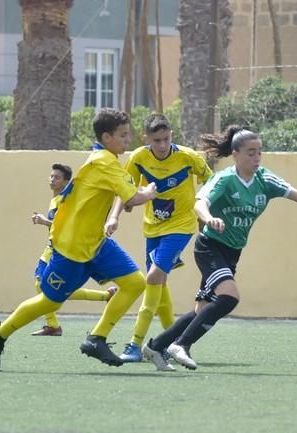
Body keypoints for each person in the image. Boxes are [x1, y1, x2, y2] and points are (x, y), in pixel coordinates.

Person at [141, 126, 297, 371]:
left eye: (259, 152)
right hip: (210, 247)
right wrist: (209, 219)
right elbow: (200, 203)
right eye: (251, 153)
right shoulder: (226, 179)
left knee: (203, 309)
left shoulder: (265, 180)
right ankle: (181, 345)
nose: (257, 158)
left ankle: (156, 346)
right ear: (235, 154)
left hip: (232, 252)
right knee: (229, 297)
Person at [0, 108, 157, 371]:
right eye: (123, 135)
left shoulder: (106, 160)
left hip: (96, 242)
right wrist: (149, 193)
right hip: (73, 247)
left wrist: (126, 203)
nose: (127, 139)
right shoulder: (104, 161)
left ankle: (96, 338)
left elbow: (120, 195)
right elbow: (132, 198)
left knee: (135, 283)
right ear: (106, 136)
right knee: (50, 302)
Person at [105, 113, 213, 363]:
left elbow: (211, 183)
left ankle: (136, 345)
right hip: (152, 228)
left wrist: (204, 216)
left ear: (171, 136)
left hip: (181, 227)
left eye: (166, 139)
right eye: (157, 140)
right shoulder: (139, 157)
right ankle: (173, 343)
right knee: (159, 285)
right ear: (147, 139)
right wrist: (114, 217)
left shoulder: (188, 157)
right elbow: (123, 190)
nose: (162, 145)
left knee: (152, 277)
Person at [30, 163, 117, 337]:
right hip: (52, 249)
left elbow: (67, 226)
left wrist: (43, 221)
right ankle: (53, 324)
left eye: (57, 177)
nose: (52, 179)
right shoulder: (54, 199)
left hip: (61, 251)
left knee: (47, 287)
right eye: (52, 176)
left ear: (66, 182)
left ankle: (54, 326)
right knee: (43, 285)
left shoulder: (65, 200)